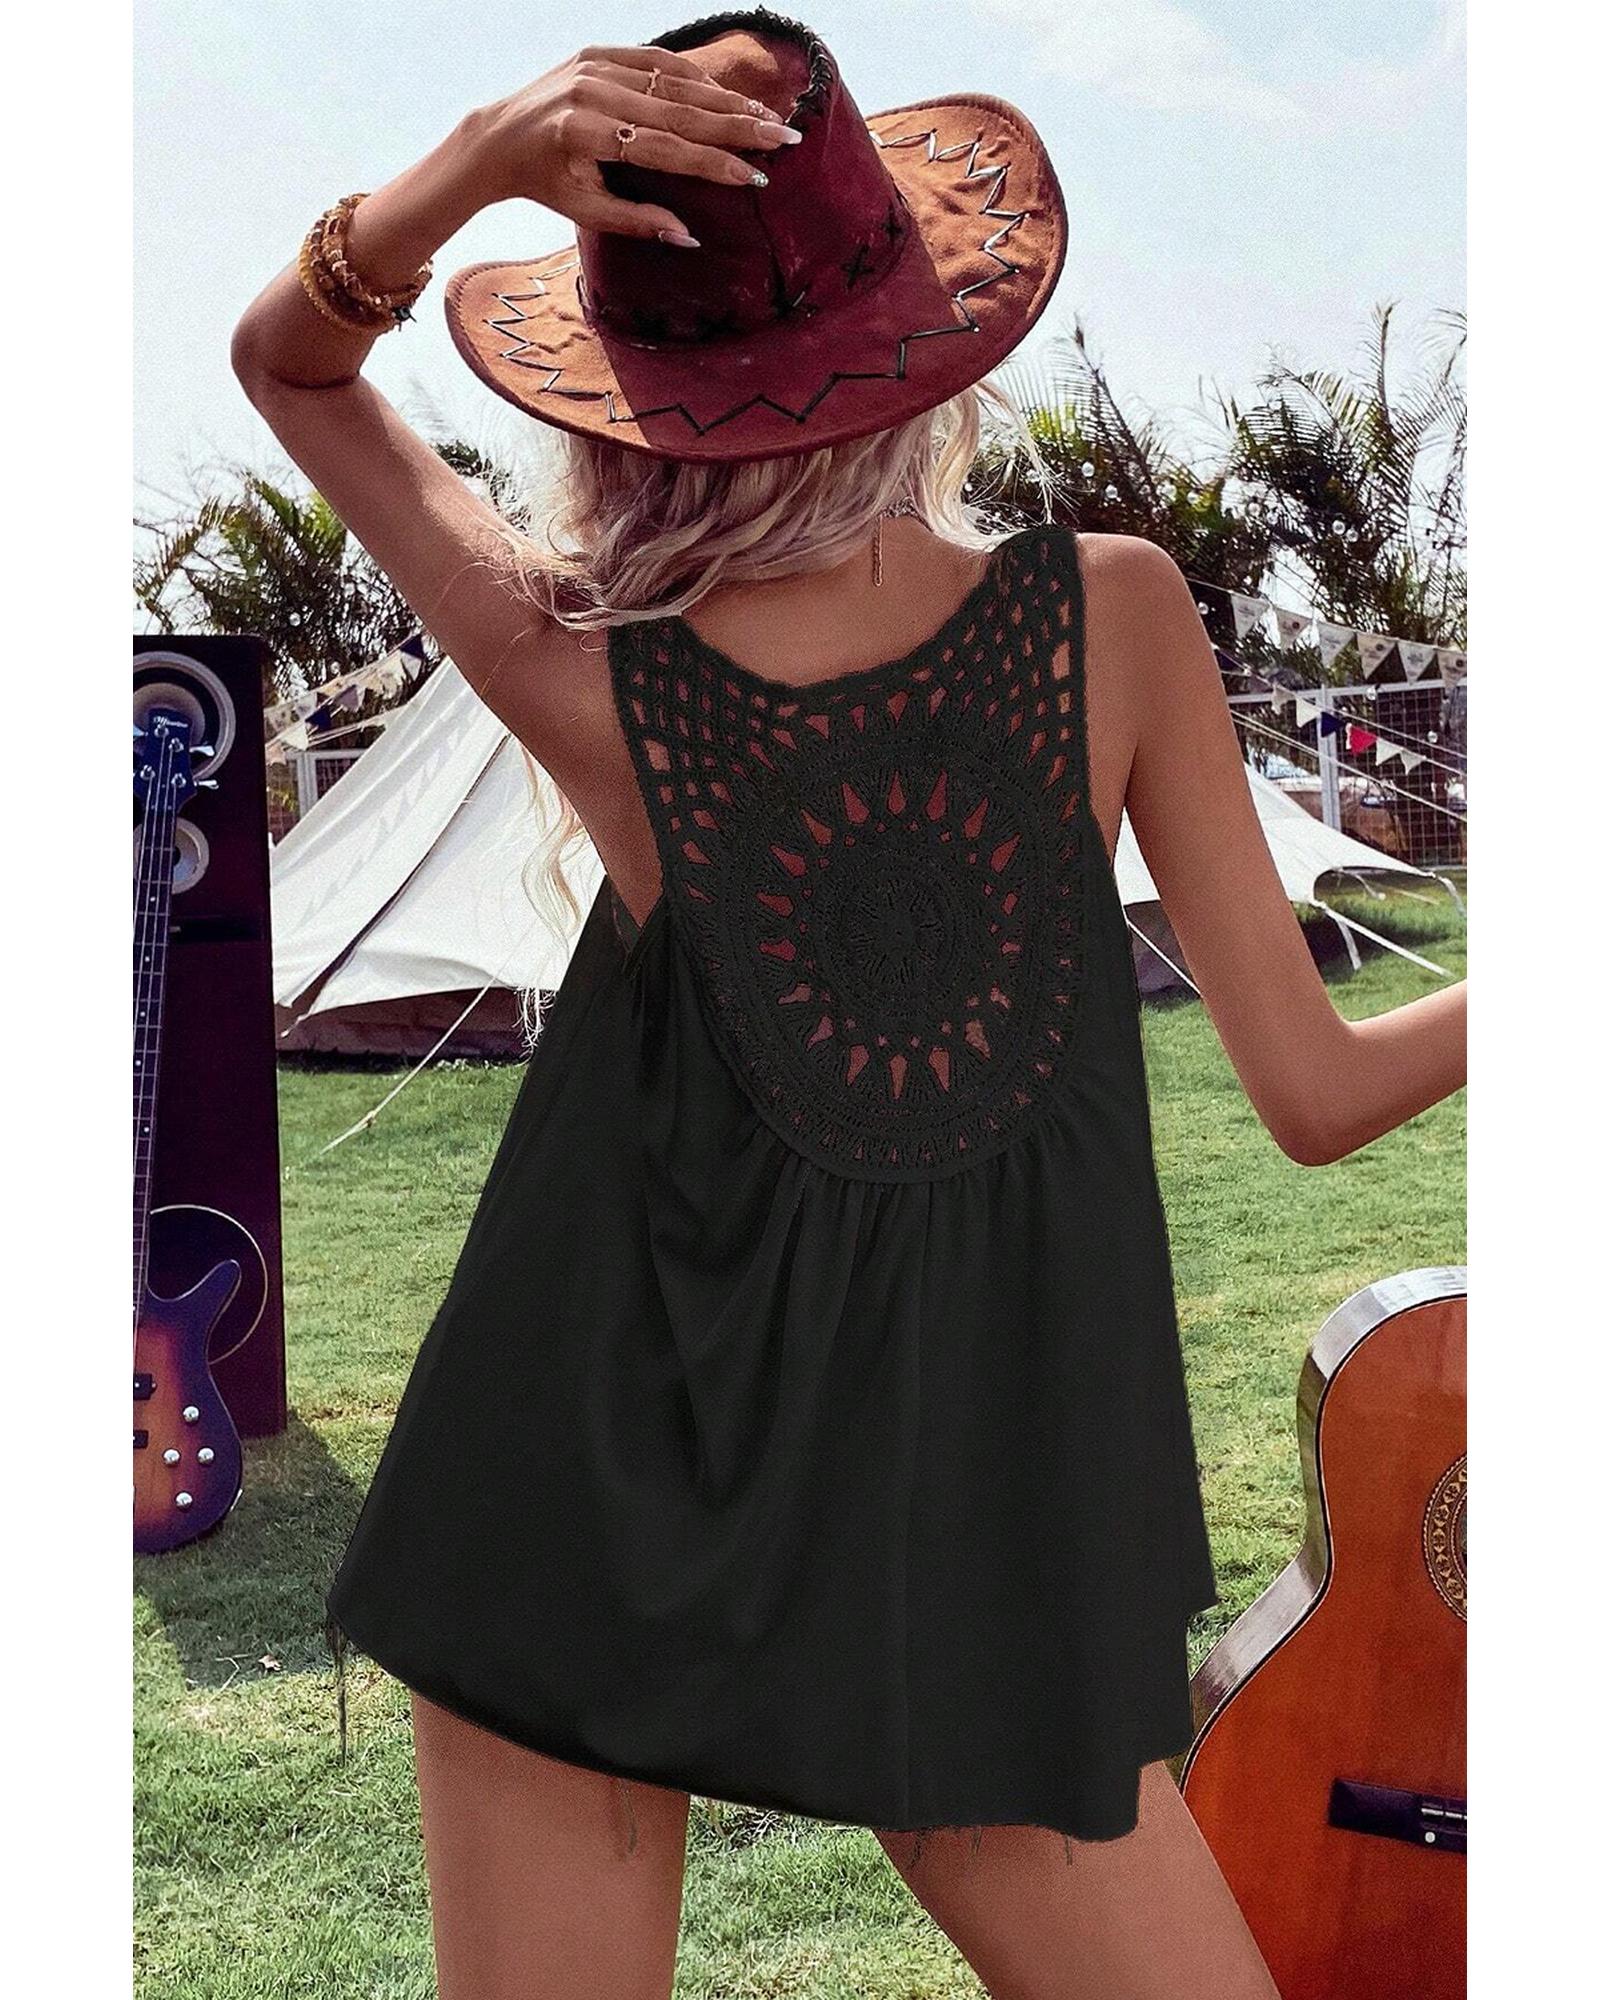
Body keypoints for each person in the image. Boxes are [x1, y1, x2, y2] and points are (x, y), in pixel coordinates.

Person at [231, 13, 1466, 1998]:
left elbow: (291, 364)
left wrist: (466, 164)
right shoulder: (1109, 614)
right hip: (930, 1537)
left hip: (620, 1509)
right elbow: (1314, 1092)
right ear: (917, 332)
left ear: (625, 392)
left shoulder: (593, 668)